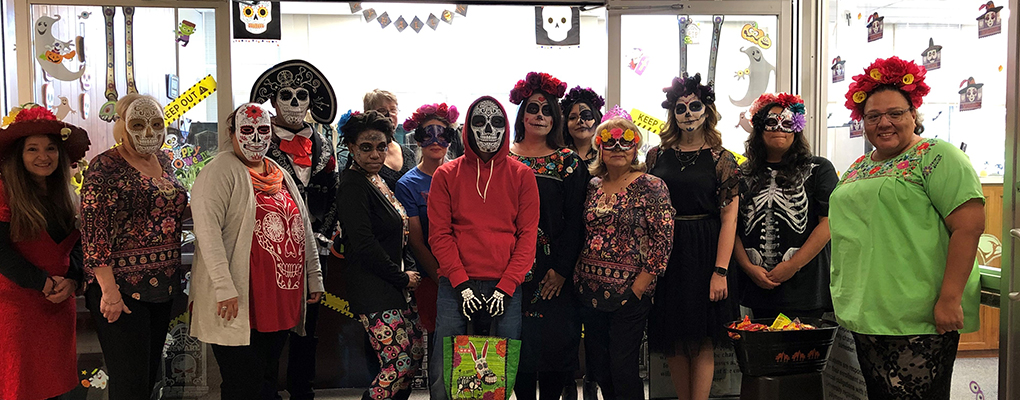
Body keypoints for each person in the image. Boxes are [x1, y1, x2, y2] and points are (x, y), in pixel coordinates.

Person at [831, 56, 984, 400]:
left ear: (914, 114)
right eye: (873, 116)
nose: (883, 123)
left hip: (919, 317)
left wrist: (949, 299)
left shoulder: (938, 156)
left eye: (895, 113)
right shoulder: (859, 166)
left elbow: (968, 228)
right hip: (867, 312)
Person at [189, 103, 324, 400]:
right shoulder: (218, 172)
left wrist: (314, 276)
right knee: (243, 383)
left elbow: (303, 226)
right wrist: (224, 287)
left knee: (266, 379)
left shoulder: (277, 171)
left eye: (263, 130)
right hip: (238, 299)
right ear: (232, 133)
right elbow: (208, 234)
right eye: (246, 130)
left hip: (278, 298)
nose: (255, 138)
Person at [427, 95, 539, 400]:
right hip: (455, 284)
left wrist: (507, 286)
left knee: (498, 372)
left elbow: (528, 237)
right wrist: (461, 284)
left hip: (506, 285)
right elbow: (439, 235)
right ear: (467, 129)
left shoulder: (522, 175)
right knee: (446, 369)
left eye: (496, 122)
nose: (488, 129)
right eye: (480, 122)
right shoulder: (445, 175)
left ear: (506, 128)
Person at [80, 93, 188, 400]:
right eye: (138, 124)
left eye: (156, 124)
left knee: (148, 378)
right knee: (129, 383)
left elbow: (171, 209)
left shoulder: (164, 160)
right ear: (122, 127)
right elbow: (94, 231)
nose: (148, 133)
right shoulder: (105, 166)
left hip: (163, 286)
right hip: (121, 289)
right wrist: (109, 292)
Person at [645, 73, 740, 400]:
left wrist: (720, 270)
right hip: (666, 250)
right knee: (672, 336)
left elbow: (730, 218)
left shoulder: (721, 158)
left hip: (704, 250)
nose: (688, 113)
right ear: (672, 112)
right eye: (680, 107)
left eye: (694, 106)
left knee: (700, 339)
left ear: (707, 110)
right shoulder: (656, 156)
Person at [251, 59, 339, 400]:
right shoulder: (259, 141)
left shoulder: (323, 141)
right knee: (271, 327)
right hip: (273, 248)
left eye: (301, 95)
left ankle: (304, 391)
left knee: (309, 328)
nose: (293, 102)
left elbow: (334, 190)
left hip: (316, 247)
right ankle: (267, 391)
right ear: (273, 101)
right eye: (285, 95)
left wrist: (323, 234)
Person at [575, 110, 674, 400]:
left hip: (629, 294)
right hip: (589, 291)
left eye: (625, 142)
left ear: (636, 148)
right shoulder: (592, 185)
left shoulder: (651, 186)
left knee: (623, 367)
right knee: (601, 368)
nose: (618, 149)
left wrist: (639, 287)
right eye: (610, 142)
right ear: (600, 147)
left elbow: (663, 239)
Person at [333, 110, 425, 400]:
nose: (375, 154)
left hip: (393, 287)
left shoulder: (376, 180)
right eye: (366, 147)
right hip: (375, 288)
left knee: (413, 357)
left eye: (381, 146)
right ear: (351, 147)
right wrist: (400, 277)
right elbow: (363, 243)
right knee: (400, 362)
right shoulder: (352, 184)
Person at [0, 105, 90, 400]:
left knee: (57, 385)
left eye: (51, 148)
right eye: (33, 149)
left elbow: (77, 244)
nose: (43, 156)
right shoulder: (4, 191)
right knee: (20, 386)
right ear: (18, 155)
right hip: (17, 309)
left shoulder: (63, 193)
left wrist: (73, 280)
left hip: (58, 306)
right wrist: (41, 282)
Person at [508, 71, 587, 400]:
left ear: (555, 118)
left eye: (546, 110)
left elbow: (577, 220)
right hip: (511, 271)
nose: (539, 116)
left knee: (556, 353)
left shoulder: (568, 163)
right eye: (532, 109)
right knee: (519, 354)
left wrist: (562, 269)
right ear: (521, 114)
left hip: (556, 273)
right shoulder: (503, 159)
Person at [734, 93, 838, 321]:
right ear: (759, 128)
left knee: (801, 354)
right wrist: (749, 268)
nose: (779, 128)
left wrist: (793, 265)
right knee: (762, 353)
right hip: (757, 287)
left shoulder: (818, 168)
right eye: (771, 122)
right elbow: (732, 226)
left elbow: (828, 223)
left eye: (788, 123)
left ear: (797, 129)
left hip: (805, 288)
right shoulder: (743, 173)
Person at [395, 102, 459, 392]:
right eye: (427, 134)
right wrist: (442, 277)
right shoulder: (408, 184)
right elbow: (417, 242)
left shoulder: (462, 176)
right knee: (440, 344)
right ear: (417, 138)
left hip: (469, 273)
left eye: (442, 134)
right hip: (435, 277)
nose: (435, 141)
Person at [363, 90, 416, 190]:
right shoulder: (362, 154)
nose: (389, 115)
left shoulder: (408, 153)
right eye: (382, 110)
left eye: (393, 109)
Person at [560, 86, 605, 167]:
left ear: (597, 119)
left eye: (586, 116)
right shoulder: (559, 157)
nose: (580, 121)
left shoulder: (607, 156)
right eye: (573, 118)